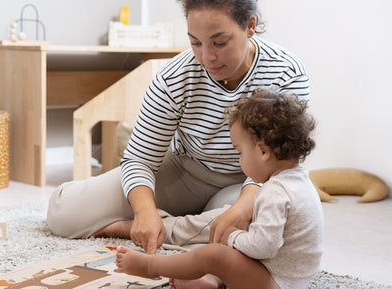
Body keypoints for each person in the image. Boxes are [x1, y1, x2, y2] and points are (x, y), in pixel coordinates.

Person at [46, 0, 310, 256]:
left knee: (257, 228)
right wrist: (144, 212)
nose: (208, 57)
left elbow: (279, 160)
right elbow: (140, 159)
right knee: (64, 214)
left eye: (219, 42)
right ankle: (185, 227)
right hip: (185, 171)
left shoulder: (286, 73)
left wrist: (241, 208)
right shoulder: (174, 77)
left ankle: (136, 228)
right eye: (195, 42)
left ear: (249, 26)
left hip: (251, 181)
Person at [115, 90, 323, 289]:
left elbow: (263, 247)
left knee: (214, 254)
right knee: (235, 240)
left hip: (276, 283)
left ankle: (150, 266)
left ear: (262, 151)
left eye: (240, 152)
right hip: (293, 278)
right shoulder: (300, 181)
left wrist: (231, 236)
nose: (239, 161)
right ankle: (209, 279)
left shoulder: (275, 192)